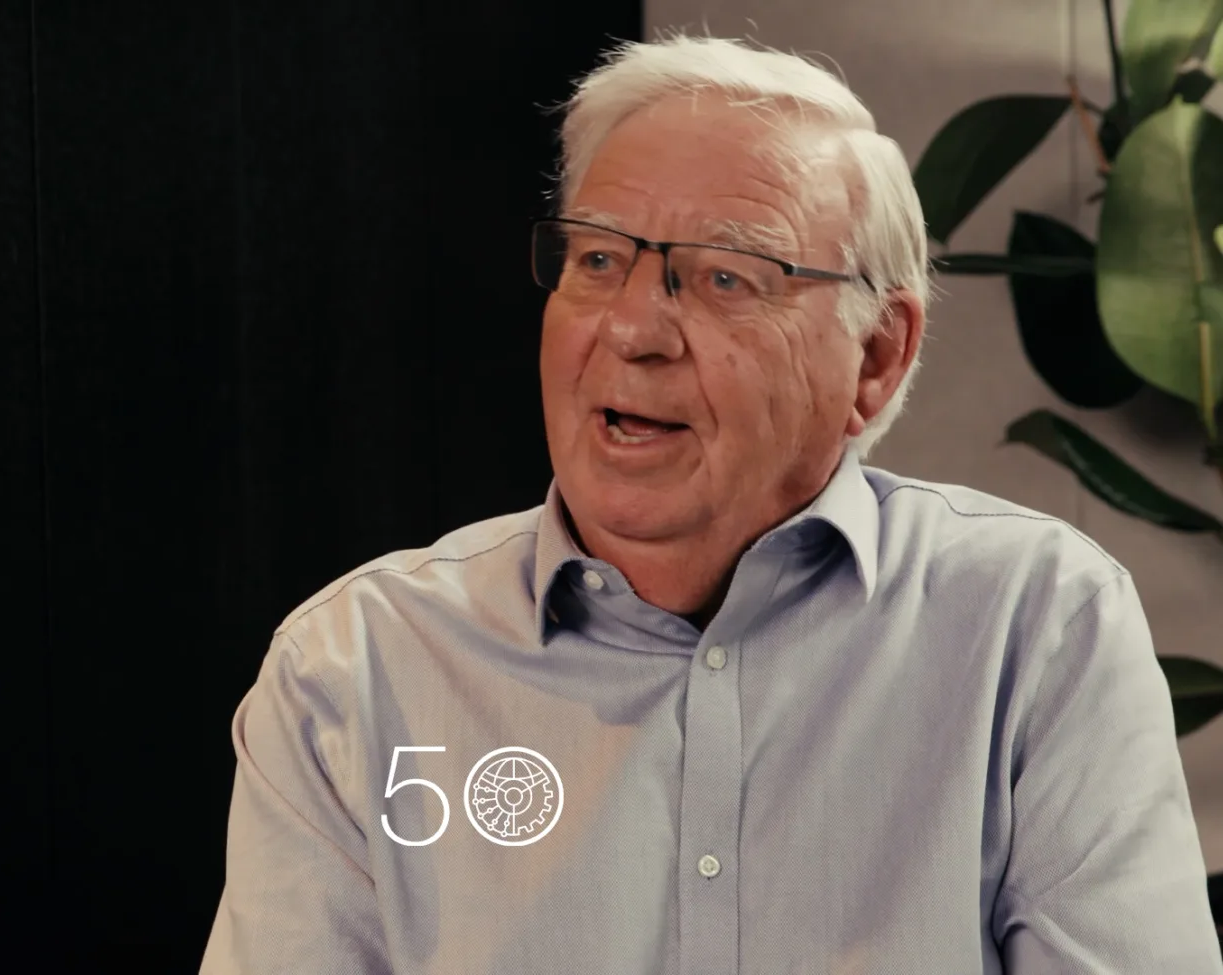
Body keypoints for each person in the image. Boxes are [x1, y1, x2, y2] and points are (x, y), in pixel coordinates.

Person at [199, 34, 1223, 974]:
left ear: (875, 357)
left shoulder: (1036, 625)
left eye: (726, 278)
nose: (635, 330)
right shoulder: (358, 667)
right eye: (597, 260)